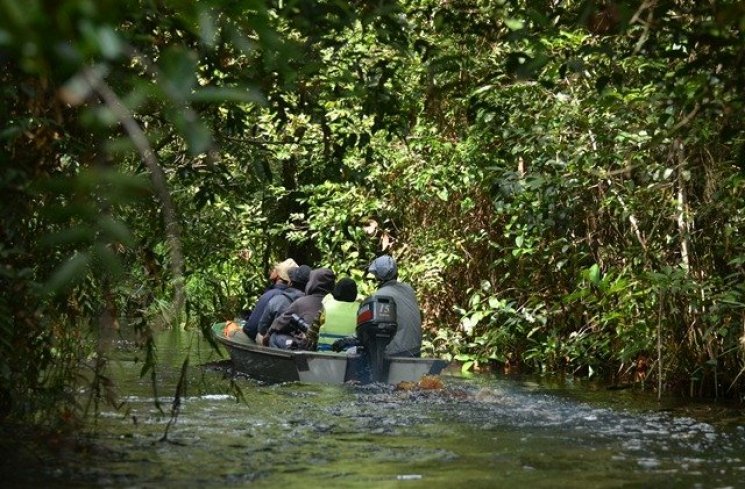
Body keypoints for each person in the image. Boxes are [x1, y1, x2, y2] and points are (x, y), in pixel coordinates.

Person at [263, 267, 335, 350]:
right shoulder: (336, 304)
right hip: (330, 346)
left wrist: (268, 335)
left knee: (274, 336)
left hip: (308, 347)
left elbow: (280, 323)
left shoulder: (302, 302)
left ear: (312, 283)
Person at [366, 254, 422, 357]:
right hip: (415, 349)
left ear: (377, 276)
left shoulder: (380, 295)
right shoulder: (408, 289)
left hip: (396, 352)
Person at [241, 258, 297, 341]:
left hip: (267, 339)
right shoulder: (297, 295)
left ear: (279, 275)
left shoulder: (271, 294)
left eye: (275, 269)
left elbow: (251, 328)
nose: (272, 270)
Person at [255, 264, 311, 345]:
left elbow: (262, 328)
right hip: (302, 345)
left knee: (259, 335)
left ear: (290, 282)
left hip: (278, 344)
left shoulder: (277, 300)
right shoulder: (313, 303)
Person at [315, 277, 359, 351]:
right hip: (350, 357)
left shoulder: (326, 307)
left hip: (324, 355)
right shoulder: (360, 309)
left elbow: (312, 332)